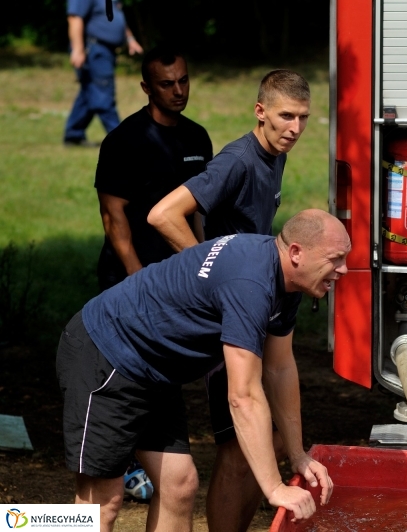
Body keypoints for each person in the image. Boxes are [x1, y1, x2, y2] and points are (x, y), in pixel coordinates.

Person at [56, 209, 345, 532]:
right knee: (101, 504)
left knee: (179, 485)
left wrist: (297, 454)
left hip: (155, 369)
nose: (343, 269)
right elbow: (243, 397)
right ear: (296, 253)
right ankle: (17, 524)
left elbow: (279, 369)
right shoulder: (249, 283)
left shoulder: (288, 281)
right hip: (107, 353)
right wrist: (274, 488)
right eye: (336, 259)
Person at [148, 69, 311, 532]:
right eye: (285, 116)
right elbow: (163, 214)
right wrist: (210, 273)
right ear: (260, 112)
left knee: (267, 443)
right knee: (237, 448)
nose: (294, 128)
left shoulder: (275, 154)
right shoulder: (238, 161)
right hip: (230, 315)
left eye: (302, 118)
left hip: (253, 306)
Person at [95, 46, 212, 291]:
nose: (179, 91)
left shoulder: (197, 137)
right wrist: (136, 277)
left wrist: (202, 262)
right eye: (167, 84)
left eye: (183, 80)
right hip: (131, 278)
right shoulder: (123, 141)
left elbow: (198, 209)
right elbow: (112, 214)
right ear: (146, 88)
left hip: (183, 273)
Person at [64, 0, 143, 146]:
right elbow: (75, 18)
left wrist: (130, 39)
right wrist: (78, 49)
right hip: (93, 49)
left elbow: (118, 18)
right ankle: (122, 140)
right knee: (103, 93)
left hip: (106, 50)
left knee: (89, 92)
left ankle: (73, 135)